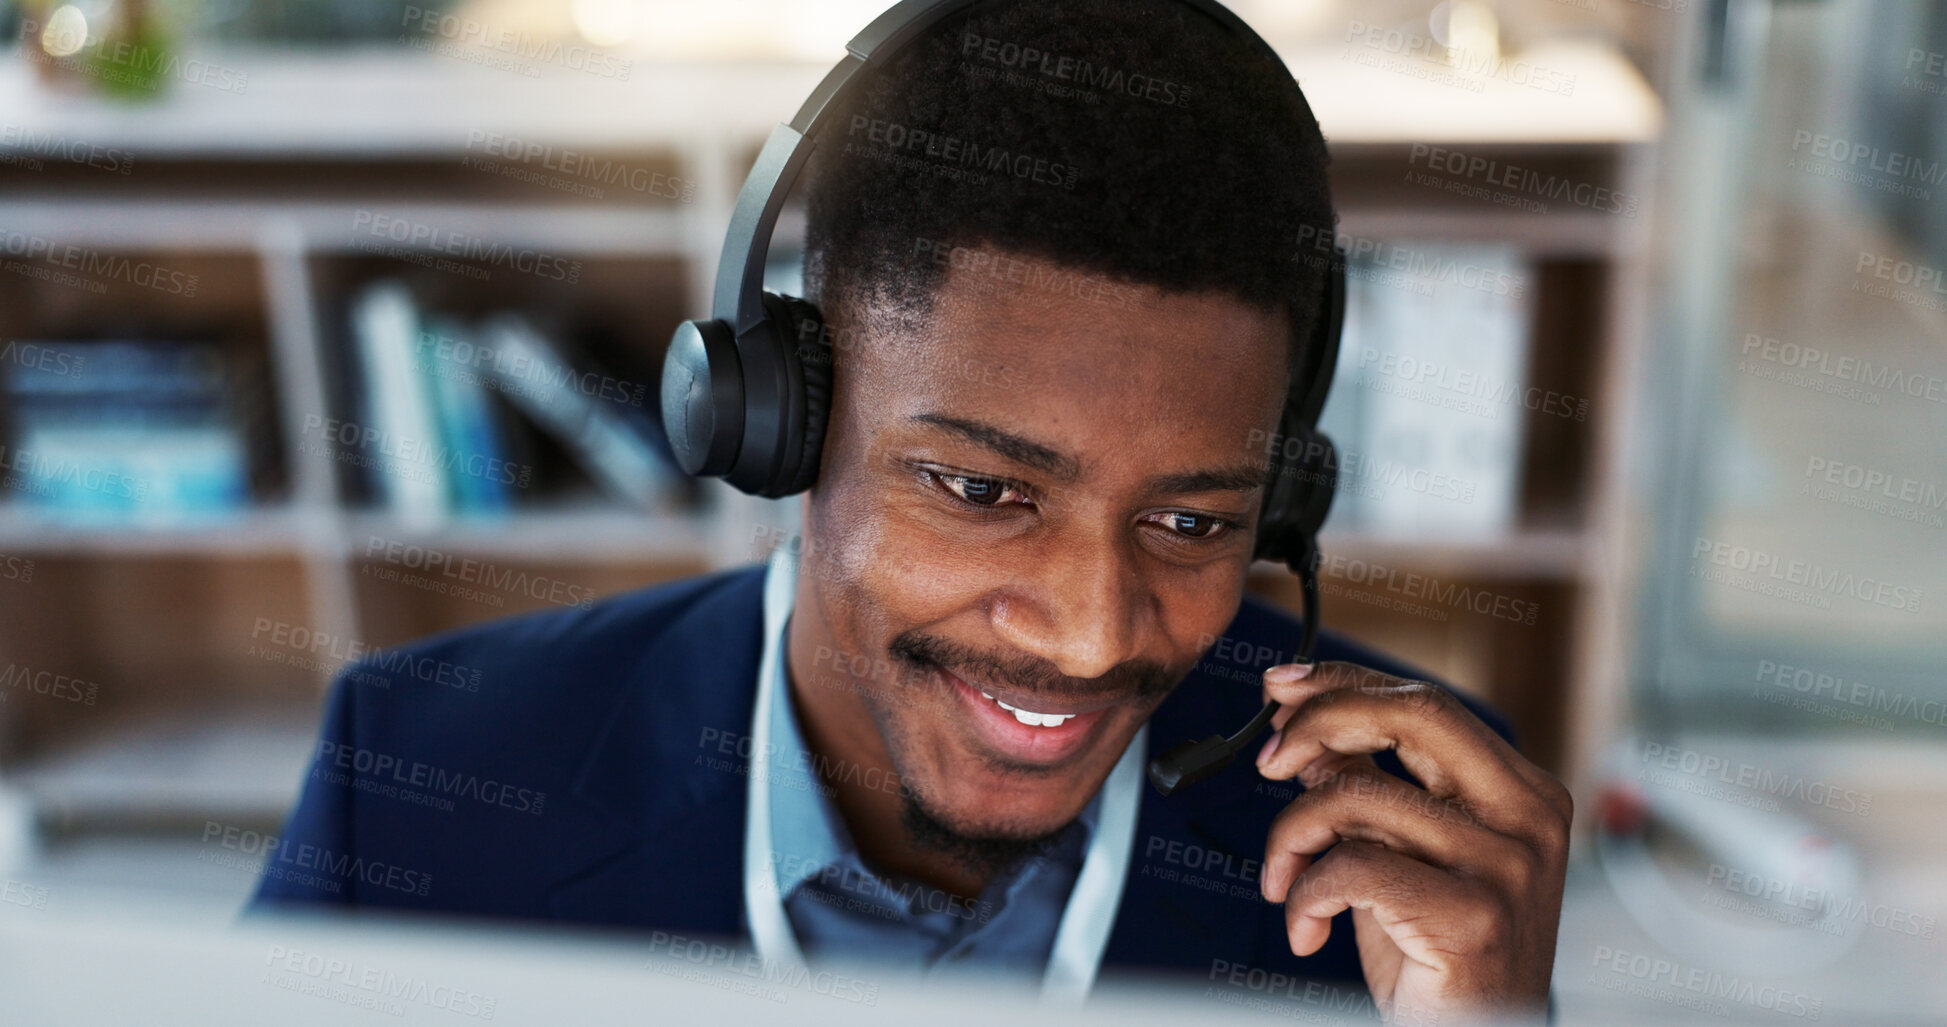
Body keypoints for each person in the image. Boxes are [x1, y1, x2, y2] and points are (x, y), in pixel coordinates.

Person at [255, 1, 1569, 1019]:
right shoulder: (418, 784)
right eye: (984, 491)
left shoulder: (1416, 872)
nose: (1089, 634)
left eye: (1191, 523)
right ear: (782, 419)